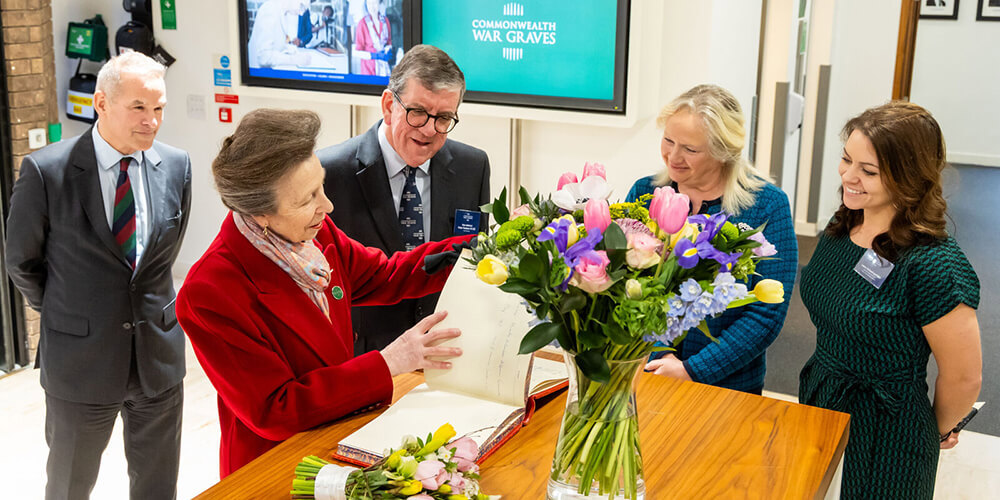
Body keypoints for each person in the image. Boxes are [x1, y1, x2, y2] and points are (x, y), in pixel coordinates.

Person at [176, 109, 467, 477]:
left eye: (321, 187)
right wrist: (390, 361)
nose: (326, 207)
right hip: (276, 469)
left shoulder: (313, 232)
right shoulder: (209, 293)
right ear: (259, 213)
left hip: (341, 441)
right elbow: (275, 410)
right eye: (307, 199)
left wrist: (479, 249)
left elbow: (385, 275)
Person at [5, 52, 191, 499]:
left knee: (157, 488)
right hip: (80, 364)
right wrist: (70, 311)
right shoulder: (47, 171)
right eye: (139, 108)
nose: (152, 121)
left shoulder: (178, 165)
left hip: (157, 361)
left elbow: (162, 259)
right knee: (70, 487)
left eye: (159, 108)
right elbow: (21, 262)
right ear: (101, 103)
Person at [798, 101, 981, 499]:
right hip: (823, 399)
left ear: (909, 178)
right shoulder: (844, 222)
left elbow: (965, 375)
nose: (848, 176)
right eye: (846, 160)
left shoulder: (934, 264)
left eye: (868, 171)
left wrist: (935, 430)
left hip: (887, 428)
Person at [626, 84, 797, 394]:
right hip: (648, 372)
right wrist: (658, 355)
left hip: (727, 384)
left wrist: (694, 370)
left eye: (690, 149)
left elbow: (766, 313)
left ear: (723, 152)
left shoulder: (766, 205)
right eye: (668, 141)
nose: (673, 157)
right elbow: (625, 286)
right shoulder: (645, 193)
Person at [319, 44, 490, 355]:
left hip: (445, 349)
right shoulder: (329, 172)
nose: (428, 129)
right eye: (418, 113)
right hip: (366, 356)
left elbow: (472, 262)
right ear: (388, 105)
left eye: (443, 118)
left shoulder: (472, 167)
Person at [247, 0, 311, 68]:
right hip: (256, 72)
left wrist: (291, 50)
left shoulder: (282, 13)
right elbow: (264, 57)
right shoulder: (270, 9)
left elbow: (277, 44)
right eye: (301, 6)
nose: (301, 13)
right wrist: (295, 60)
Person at [355, 0, 393, 76]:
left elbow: (389, 42)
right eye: (369, 3)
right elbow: (357, 52)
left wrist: (388, 50)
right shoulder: (362, 23)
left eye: (375, 3)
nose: (372, 7)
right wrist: (374, 55)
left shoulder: (385, 21)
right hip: (369, 69)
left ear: (380, 4)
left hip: (384, 68)